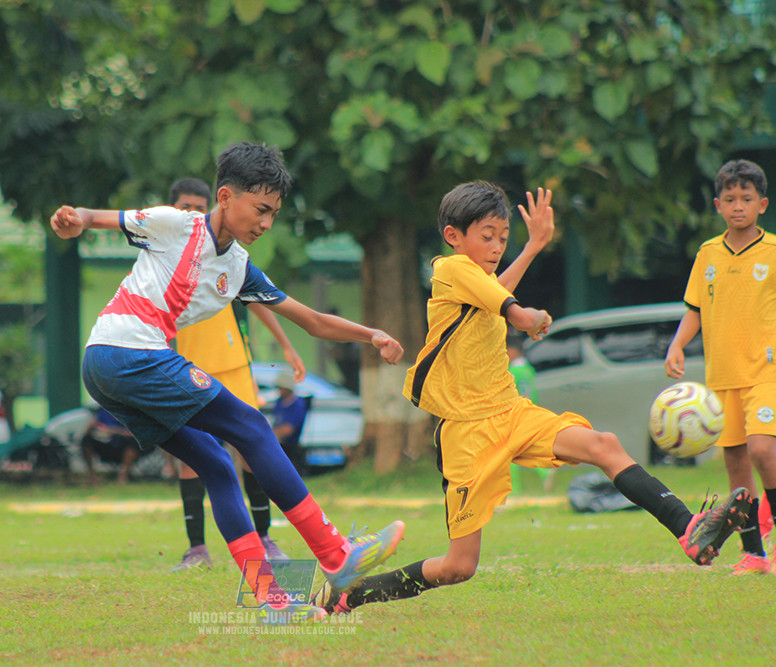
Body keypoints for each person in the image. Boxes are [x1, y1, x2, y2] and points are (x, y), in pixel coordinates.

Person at [313, 181, 750, 615]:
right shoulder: (448, 270)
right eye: (487, 236)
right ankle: (353, 594)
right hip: (466, 434)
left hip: (511, 411)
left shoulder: (479, 283)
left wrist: (534, 246)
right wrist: (524, 315)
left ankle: (688, 527)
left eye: (504, 238)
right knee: (458, 567)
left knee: (604, 445)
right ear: (453, 236)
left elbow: (493, 291)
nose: (497, 245)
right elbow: (503, 301)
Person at [49, 142, 406, 620]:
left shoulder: (237, 267)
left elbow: (312, 320)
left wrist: (372, 334)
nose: (265, 223)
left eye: (274, 214)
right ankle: (336, 554)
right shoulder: (178, 224)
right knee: (254, 428)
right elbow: (99, 218)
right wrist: (73, 219)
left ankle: (271, 601)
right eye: (260, 209)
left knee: (217, 464)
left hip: (109, 368)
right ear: (224, 196)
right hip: (126, 352)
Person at [167, 176, 305, 570]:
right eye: (185, 207)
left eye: (199, 206)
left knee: (252, 449)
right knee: (191, 456)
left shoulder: (224, 251)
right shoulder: (164, 252)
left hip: (234, 364)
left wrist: (287, 345)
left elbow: (260, 298)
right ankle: (197, 550)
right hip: (189, 368)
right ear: (171, 209)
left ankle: (265, 540)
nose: (192, 213)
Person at [665, 158, 776, 575]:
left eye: (746, 199)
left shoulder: (773, 252)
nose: (738, 207)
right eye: (730, 199)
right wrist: (677, 345)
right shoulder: (708, 253)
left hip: (766, 372)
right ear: (717, 205)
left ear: (762, 204)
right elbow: (694, 308)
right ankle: (755, 556)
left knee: (763, 449)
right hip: (722, 377)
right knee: (737, 470)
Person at [506, 332, 552, 492]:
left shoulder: (514, 372)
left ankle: (513, 489)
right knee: (525, 448)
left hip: (517, 414)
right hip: (530, 411)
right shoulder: (527, 369)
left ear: (511, 352)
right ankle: (545, 471)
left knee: (508, 452)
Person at [81, 408, 141, 484]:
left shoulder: (129, 411)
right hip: (105, 444)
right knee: (86, 441)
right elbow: (92, 430)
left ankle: (123, 476)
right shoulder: (102, 411)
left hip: (123, 444)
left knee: (133, 443)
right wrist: (91, 426)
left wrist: (114, 431)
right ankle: (92, 475)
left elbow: (136, 434)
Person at [270, 371, 309, 474]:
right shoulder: (279, 402)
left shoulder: (297, 405)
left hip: (289, 444)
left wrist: (272, 433)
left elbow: (289, 430)